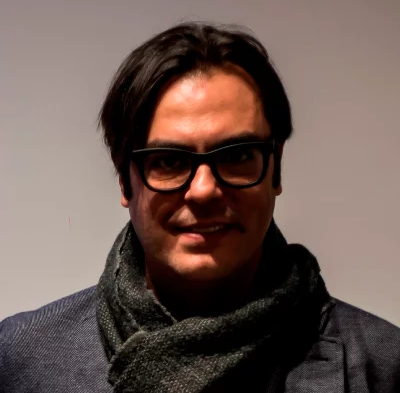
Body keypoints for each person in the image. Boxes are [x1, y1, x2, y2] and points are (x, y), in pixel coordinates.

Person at [1, 22, 399, 393]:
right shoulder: (21, 362)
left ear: (276, 169)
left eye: (237, 155)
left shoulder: (385, 367)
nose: (205, 191)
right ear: (124, 179)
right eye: (169, 161)